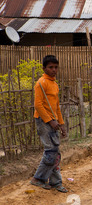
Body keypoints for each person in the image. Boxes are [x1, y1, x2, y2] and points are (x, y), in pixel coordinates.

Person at [30, 55, 68, 193]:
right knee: (51, 151)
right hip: (43, 120)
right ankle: (38, 179)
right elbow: (38, 105)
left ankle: (55, 182)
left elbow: (57, 106)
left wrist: (61, 124)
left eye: (56, 67)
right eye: (50, 67)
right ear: (44, 68)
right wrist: (50, 121)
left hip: (53, 121)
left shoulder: (54, 84)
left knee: (55, 153)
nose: (54, 70)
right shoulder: (41, 83)